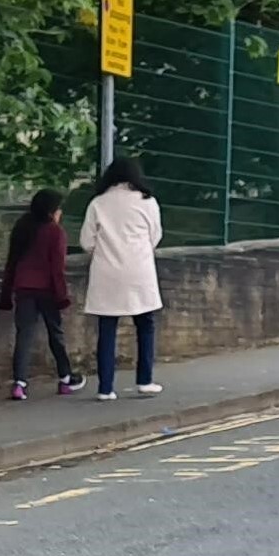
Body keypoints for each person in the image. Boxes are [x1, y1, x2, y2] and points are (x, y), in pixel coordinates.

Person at [80, 156, 166, 397]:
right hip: (140, 271)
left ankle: (105, 388)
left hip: (106, 272)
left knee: (107, 329)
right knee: (145, 325)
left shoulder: (98, 203)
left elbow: (86, 241)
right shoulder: (148, 202)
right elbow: (155, 236)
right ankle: (144, 380)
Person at [0, 187, 77, 398]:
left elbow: (12, 262)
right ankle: (65, 378)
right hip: (47, 290)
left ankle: (19, 383)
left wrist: (6, 294)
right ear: (53, 212)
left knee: (24, 335)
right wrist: (62, 296)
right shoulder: (55, 232)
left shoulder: (22, 226)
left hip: (23, 288)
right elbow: (57, 268)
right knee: (56, 334)